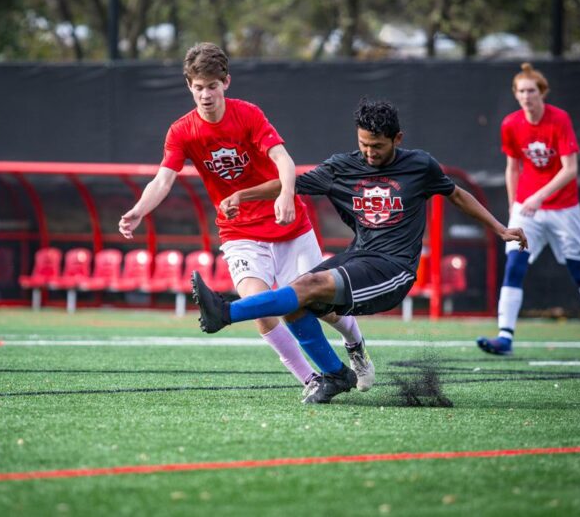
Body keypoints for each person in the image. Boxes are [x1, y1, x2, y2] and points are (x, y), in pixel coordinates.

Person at [192, 98, 527, 404]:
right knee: (295, 302)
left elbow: (456, 195)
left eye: (378, 146)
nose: (369, 152)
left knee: (303, 289)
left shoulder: (420, 166)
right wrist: (241, 196)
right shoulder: (342, 168)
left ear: (397, 139)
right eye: (363, 144)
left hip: (393, 270)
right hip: (359, 256)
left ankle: (226, 313)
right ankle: (335, 375)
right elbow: (288, 182)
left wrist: (500, 228)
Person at [118, 42, 373, 391]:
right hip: (239, 232)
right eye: (198, 87)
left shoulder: (248, 114)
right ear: (189, 86)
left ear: (226, 82)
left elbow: (284, 160)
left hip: (290, 228)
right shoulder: (182, 131)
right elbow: (164, 178)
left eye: (212, 85)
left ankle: (356, 346)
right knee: (261, 308)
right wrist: (138, 210)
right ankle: (312, 380)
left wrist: (286, 194)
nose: (205, 94)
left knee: (316, 305)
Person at [477, 63, 580, 358]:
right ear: (516, 95)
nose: (526, 96)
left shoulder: (559, 119)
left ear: (542, 93)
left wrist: (539, 196)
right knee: (514, 264)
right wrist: (516, 204)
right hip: (528, 209)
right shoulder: (510, 124)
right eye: (521, 91)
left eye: (531, 91)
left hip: (564, 208)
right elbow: (512, 167)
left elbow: (570, 170)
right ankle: (505, 338)